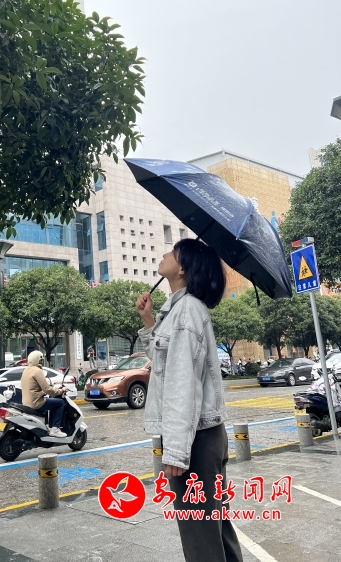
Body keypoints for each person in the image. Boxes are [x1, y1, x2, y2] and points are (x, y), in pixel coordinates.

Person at [136, 239, 243, 562]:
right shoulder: (181, 309)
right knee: (215, 530)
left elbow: (182, 385)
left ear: (182, 268)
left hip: (195, 440)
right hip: (203, 436)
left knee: (201, 542)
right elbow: (165, 361)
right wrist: (148, 320)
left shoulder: (186, 312)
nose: (164, 254)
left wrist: (177, 451)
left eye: (172, 252)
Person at [20, 351, 68, 437]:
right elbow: (47, 389)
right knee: (60, 403)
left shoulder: (26, 370)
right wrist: (61, 391)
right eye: (41, 360)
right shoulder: (37, 371)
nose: (42, 362)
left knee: (50, 402)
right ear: (37, 360)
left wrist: (42, 392)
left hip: (26, 402)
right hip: (36, 402)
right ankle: (55, 429)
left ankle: (47, 426)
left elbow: (32, 387)